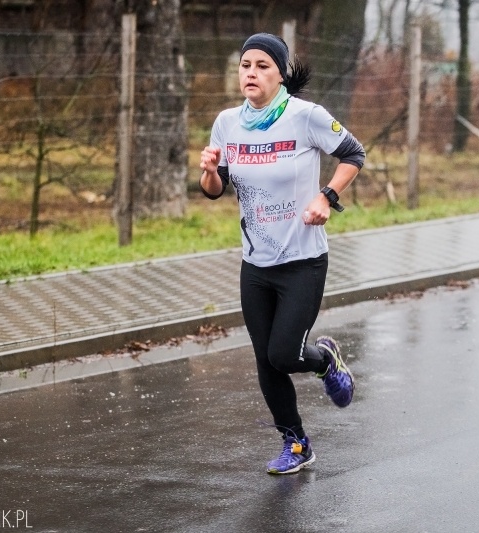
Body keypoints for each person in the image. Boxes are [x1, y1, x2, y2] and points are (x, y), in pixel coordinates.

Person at [199, 33, 365, 475]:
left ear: (280, 73)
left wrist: (326, 196)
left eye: (262, 66)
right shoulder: (228, 123)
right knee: (265, 361)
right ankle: (296, 444)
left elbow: (353, 153)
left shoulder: (305, 116)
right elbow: (215, 191)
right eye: (245, 65)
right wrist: (211, 173)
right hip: (255, 265)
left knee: (284, 355)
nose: (250, 73)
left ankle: (325, 359)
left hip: (302, 262)